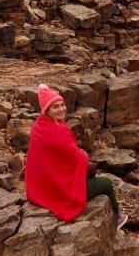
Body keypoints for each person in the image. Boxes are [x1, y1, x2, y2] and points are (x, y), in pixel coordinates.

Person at [25, 83, 128, 229]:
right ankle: (117, 218)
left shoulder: (39, 126)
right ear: (46, 110)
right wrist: (84, 156)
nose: (61, 109)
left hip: (42, 186)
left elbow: (58, 156)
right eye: (55, 107)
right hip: (58, 190)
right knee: (106, 183)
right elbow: (78, 157)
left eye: (62, 105)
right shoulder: (57, 132)